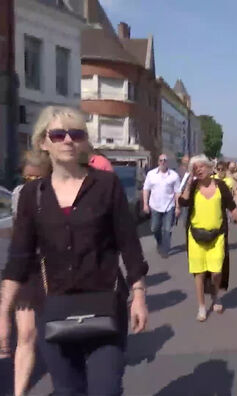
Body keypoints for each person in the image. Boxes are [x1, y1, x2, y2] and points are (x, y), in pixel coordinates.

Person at [0, 105, 148, 395]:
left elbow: (129, 245)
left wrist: (139, 295)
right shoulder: (33, 195)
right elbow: (18, 259)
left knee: (105, 389)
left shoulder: (106, 185)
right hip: (55, 310)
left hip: (105, 305)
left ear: (83, 141)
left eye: (75, 134)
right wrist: (4, 314)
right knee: (68, 391)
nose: (68, 140)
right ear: (44, 142)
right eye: (58, 134)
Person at [178, 155, 237, 322]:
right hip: (195, 236)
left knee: (216, 272)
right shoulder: (193, 186)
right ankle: (201, 307)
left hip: (217, 236)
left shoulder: (221, 186)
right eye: (195, 168)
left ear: (211, 168)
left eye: (202, 166)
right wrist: (188, 181)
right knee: (199, 273)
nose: (199, 170)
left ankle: (215, 295)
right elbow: (183, 202)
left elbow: (232, 207)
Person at [7, 151, 50, 396]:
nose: (31, 183)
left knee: (57, 331)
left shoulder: (58, 194)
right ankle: (19, 392)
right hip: (29, 269)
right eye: (27, 178)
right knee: (25, 334)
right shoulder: (18, 194)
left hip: (55, 269)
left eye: (37, 178)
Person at [143, 154, 181, 258]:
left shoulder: (174, 175)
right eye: (161, 160)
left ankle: (165, 249)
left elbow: (177, 192)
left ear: (167, 162)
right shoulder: (151, 174)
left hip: (169, 206)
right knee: (154, 228)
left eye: (164, 160)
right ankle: (159, 242)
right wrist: (145, 204)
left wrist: (178, 207)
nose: (163, 162)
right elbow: (146, 189)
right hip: (155, 206)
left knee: (167, 229)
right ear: (158, 162)